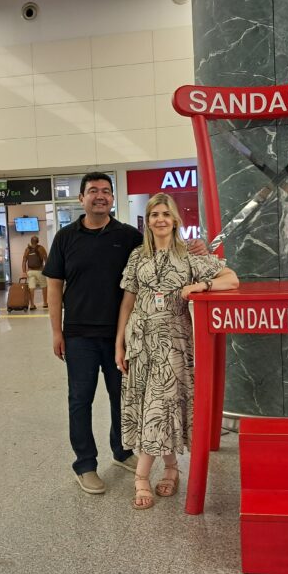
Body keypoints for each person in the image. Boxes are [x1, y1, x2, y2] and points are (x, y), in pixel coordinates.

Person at [43, 172, 207, 495]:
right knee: (80, 400)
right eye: (93, 191)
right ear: (81, 198)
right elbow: (54, 287)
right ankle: (85, 464)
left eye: (106, 191)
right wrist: (56, 332)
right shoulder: (65, 237)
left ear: (112, 199)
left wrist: (195, 246)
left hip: (123, 335)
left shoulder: (129, 236)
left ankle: (122, 451)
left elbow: (160, 248)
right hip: (78, 334)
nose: (100, 196)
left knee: (124, 397)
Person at [115, 193, 239, 510]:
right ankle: (171, 468)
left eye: (165, 214)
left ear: (175, 220)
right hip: (140, 340)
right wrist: (119, 343)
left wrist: (202, 286)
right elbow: (128, 301)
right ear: (148, 221)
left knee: (161, 403)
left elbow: (231, 279)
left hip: (174, 340)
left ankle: (141, 477)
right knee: (151, 405)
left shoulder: (189, 256)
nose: (160, 219)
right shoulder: (137, 256)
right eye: (154, 214)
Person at [22, 235, 48, 310]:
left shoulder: (27, 249)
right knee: (44, 286)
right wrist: (46, 269)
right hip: (40, 271)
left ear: (31, 241)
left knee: (31, 287)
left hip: (30, 271)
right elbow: (46, 259)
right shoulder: (41, 248)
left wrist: (24, 272)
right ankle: (45, 303)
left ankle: (32, 305)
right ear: (38, 241)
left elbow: (24, 261)